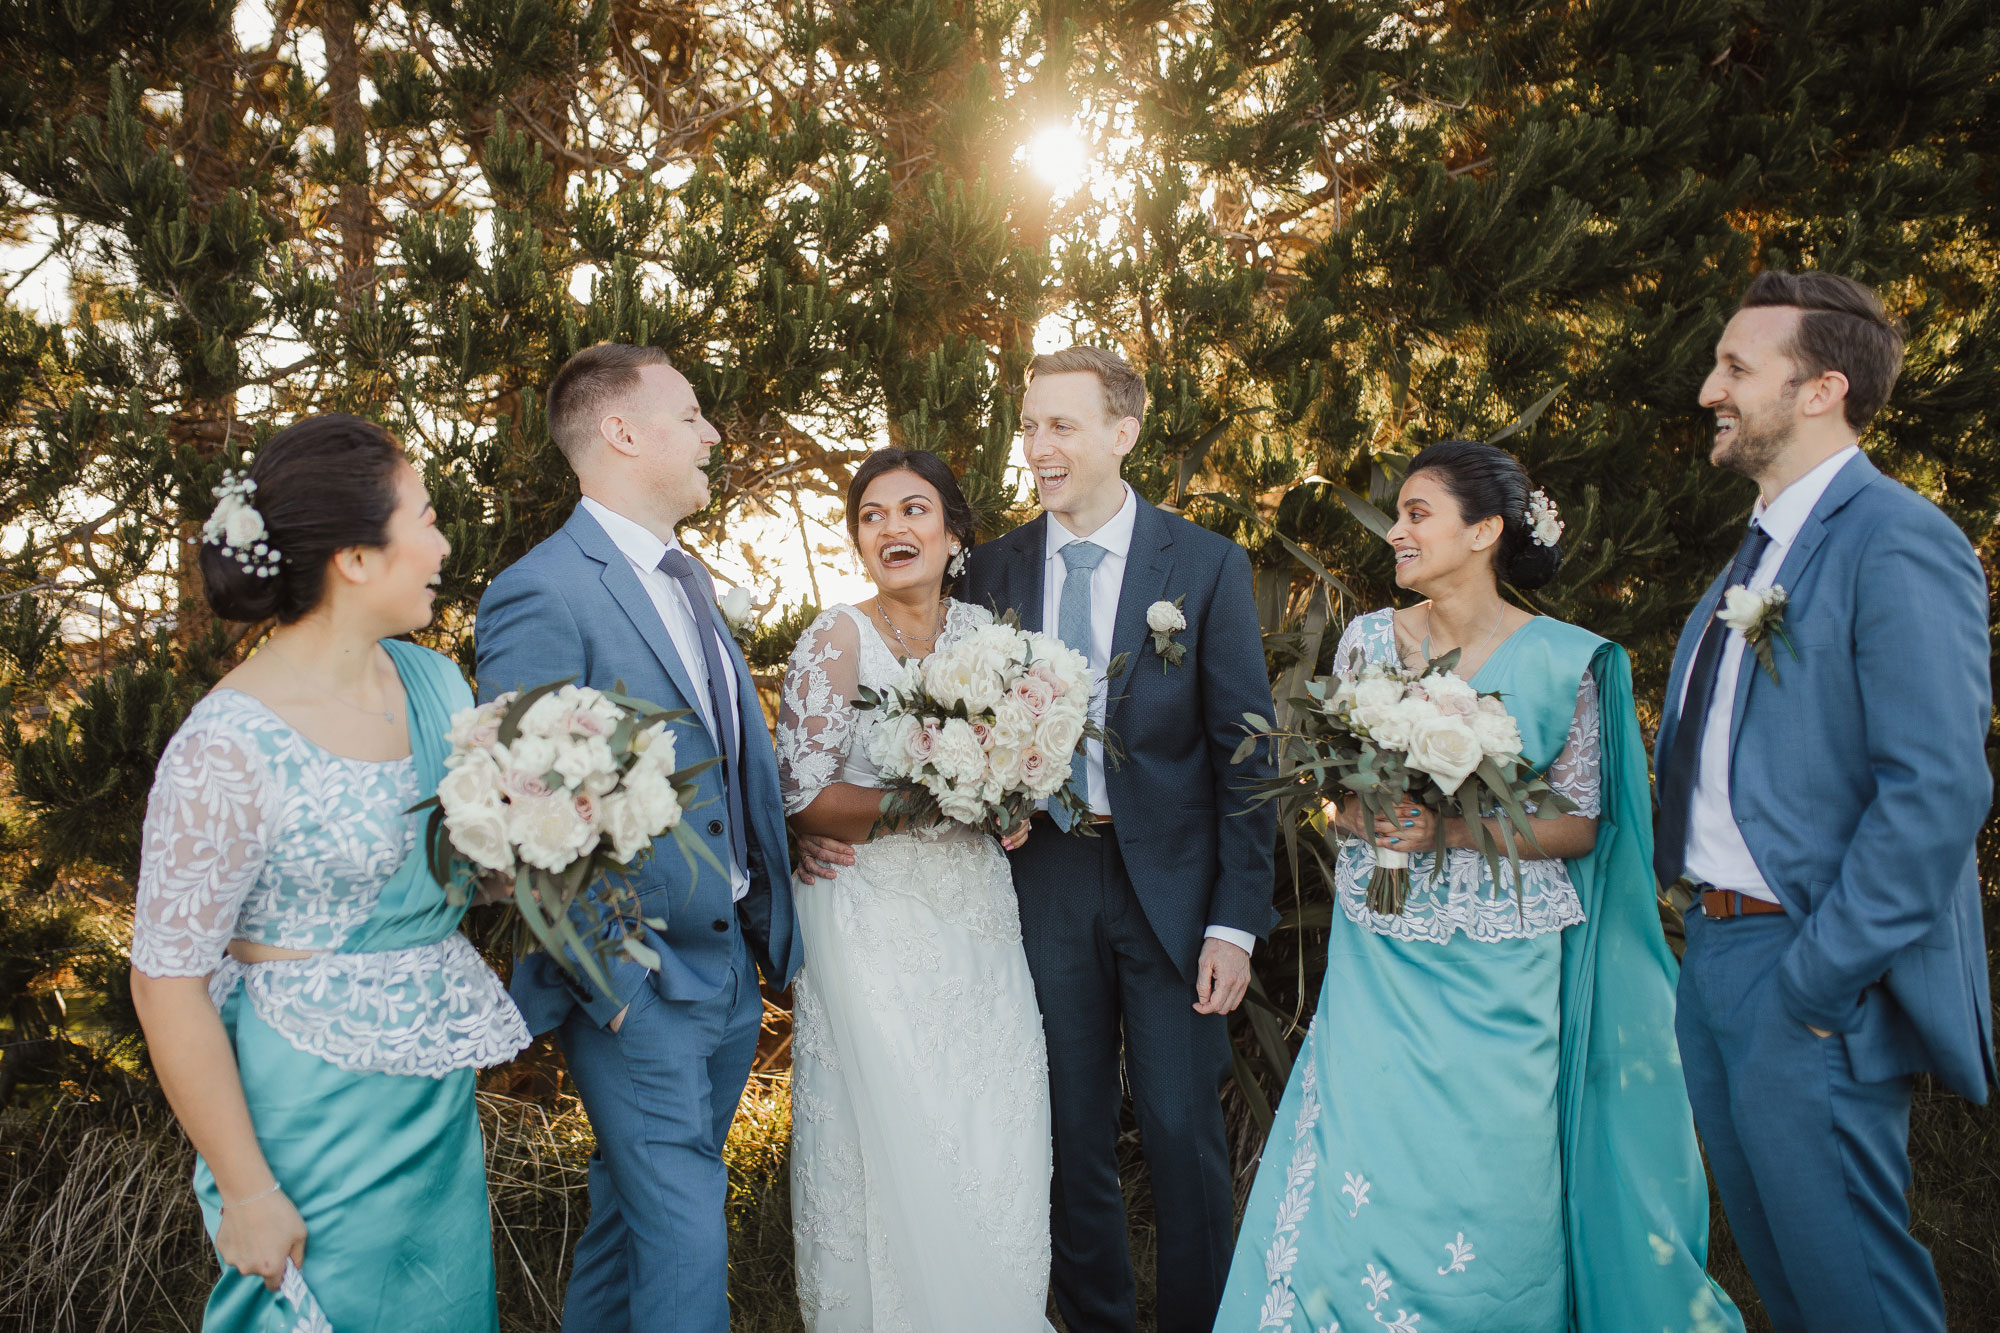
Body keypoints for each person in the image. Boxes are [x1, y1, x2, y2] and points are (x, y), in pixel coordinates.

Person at [797, 346, 1278, 1332]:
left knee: (1184, 1128)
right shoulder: (994, 569)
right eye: (1027, 426)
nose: (1038, 446)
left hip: (1173, 890)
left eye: (1059, 424)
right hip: (1037, 876)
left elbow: (1245, 752)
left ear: (1120, 432)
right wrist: (827, 826)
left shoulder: (1204, 564)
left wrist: (1235, 920)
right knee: (1062, 1130)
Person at [1215, 441, 1739, 1333]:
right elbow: (1337, 792)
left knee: (1491, 1172)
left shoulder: (1568, 660)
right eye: (1400, 514)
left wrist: (1447, 828)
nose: (1399, 532)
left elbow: (1579, 824)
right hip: (1381, 955)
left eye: (1419, 514)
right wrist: (1365, 813)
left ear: (1486, 530)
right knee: (1362, 1150)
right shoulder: (1369, 639)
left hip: (1502, 972)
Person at [131, 414, 531, 1332]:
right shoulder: (226, 747)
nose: (442, 542)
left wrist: (537, 846)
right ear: (355, 556)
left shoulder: (437, 683)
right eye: (425, 517)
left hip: (431, 1097)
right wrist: (247, 1190)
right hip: (308, 1112)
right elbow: (163, 983)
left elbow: (454, 867)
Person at [1661, 271, 1993, 1332]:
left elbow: (1934, 789)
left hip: (1804, 970)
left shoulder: (1892, 536)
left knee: (1853, 1290)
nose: (1709, 387)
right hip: (1714, 959)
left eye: (1734, 367)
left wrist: (1816, 979)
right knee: (1790, 1285)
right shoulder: (1755, 550)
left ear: (1819, 390)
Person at [474, 344, 803, 1333]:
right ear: (621, 432)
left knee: (630, 1230)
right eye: (691, 413)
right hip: (640, 982)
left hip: (726, 976)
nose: (711, 433)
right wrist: (614, 986)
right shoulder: (542, 592)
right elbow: (521, 806)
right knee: (686, 1237)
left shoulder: (687, 579)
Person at [777, 447, 1055, 1331]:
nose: (893, 527)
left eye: (914, 510)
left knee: (993, 1126)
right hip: (869, 916)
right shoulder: (837, 637)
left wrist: (1010, 799)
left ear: (952, 532)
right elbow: (807, 799)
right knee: (894, 1128)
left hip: (977, 917)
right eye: (872, 515)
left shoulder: (993, 641)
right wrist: (941, 794)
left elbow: (1024, 763)